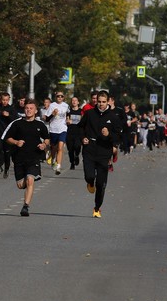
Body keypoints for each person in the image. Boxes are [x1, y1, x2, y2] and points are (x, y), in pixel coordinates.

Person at [78, 90, 124, 218]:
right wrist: (83, 138)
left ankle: (97, 208)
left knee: (101, 184)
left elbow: (119, 136)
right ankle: (90, 182)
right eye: (99, 102)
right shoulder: (89, 113)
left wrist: (109, 135)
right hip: (90, 149)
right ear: (96, 101)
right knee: (89, 175)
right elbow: (80, 127)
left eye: (104, 102)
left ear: (108, 101)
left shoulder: (113, 117)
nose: (101, 104)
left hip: (104, 151)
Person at [4, 99, 50, 217]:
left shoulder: (40, 125)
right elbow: (7, 138)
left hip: (34, 157)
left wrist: (44, 144)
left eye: (31, 108)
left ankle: (25, 206)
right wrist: (16, 142)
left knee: (30, 179)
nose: (28, 110)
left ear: (35, 111)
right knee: (20, 185)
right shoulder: (17, 123)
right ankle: (31, 178)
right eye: (26, 108)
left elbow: (47, 138)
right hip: (19, 158)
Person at [0, 92, 19, 177]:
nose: (5, 102)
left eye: (6, 100)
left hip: (8, 133)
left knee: (7, 152)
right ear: (0, 99)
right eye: (3, 100)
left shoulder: (11, 109)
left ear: (9, 100)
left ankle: (6, 169)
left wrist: (8, 115)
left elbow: (15, 120)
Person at [46, 91, 70, 174]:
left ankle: (58, 166)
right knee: (54, 148)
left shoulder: (66, 105)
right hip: (53, 129)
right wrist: (53, 114)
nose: (60, 97)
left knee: (60, 148)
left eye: (61, 96)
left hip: (63, 128)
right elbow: (46, 119)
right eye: (58, 96)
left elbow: (68, 114)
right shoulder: (52, 105)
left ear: (63, 97)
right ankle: (53, 159)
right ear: (55, 97)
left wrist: (68, 119)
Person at [65, 96, 84, 169]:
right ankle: (72, 163)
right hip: (70, 132)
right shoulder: (69, 112)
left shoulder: (81, 111)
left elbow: (83, 120)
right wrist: (68, 121)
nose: (74, 102)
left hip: (78, 132)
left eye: (75, 100)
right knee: (70, 149)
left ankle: (76, 155)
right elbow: (67, 120)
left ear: (78, 102)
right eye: (72, 100)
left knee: (77, 146)